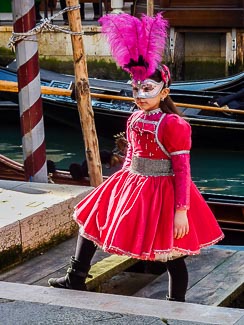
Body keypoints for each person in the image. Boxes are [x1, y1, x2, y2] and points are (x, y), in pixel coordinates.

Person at [48, 13, 224, 302]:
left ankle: (175, 305)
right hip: (131, 181)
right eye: (136, 89)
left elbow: (182, 170)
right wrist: (117, 183)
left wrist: (181, 210)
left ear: (164, 91)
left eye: (148, 89)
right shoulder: (134, 117)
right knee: (91, 220)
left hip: (162, 190)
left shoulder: (174, 125)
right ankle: (75, 277)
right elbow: (131, 153)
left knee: (171, 252)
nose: (140, 95)